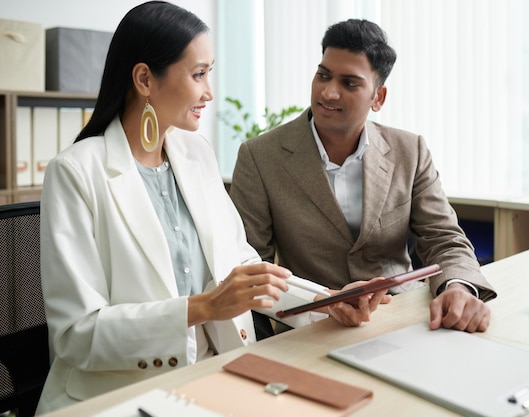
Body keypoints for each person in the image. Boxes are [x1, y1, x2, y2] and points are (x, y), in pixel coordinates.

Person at [36, 4, 390, 414]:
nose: (209, 92)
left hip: (215, 377)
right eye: (198, 74)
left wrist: (324, 301)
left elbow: (241, 266)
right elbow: (76, 335)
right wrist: (203, 307)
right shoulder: (76, 172)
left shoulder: (195, 154)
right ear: (145, 79)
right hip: (123, 396)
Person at [230, 18, 497, 337]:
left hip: (404, 319)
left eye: (349, 83)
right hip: (315, 325)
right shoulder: (260, 156)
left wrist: (458, 287)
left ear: (378, 97)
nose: (328, 92)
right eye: (323, 75)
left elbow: (444, 237)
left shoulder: (409, 150)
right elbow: (248, 267)